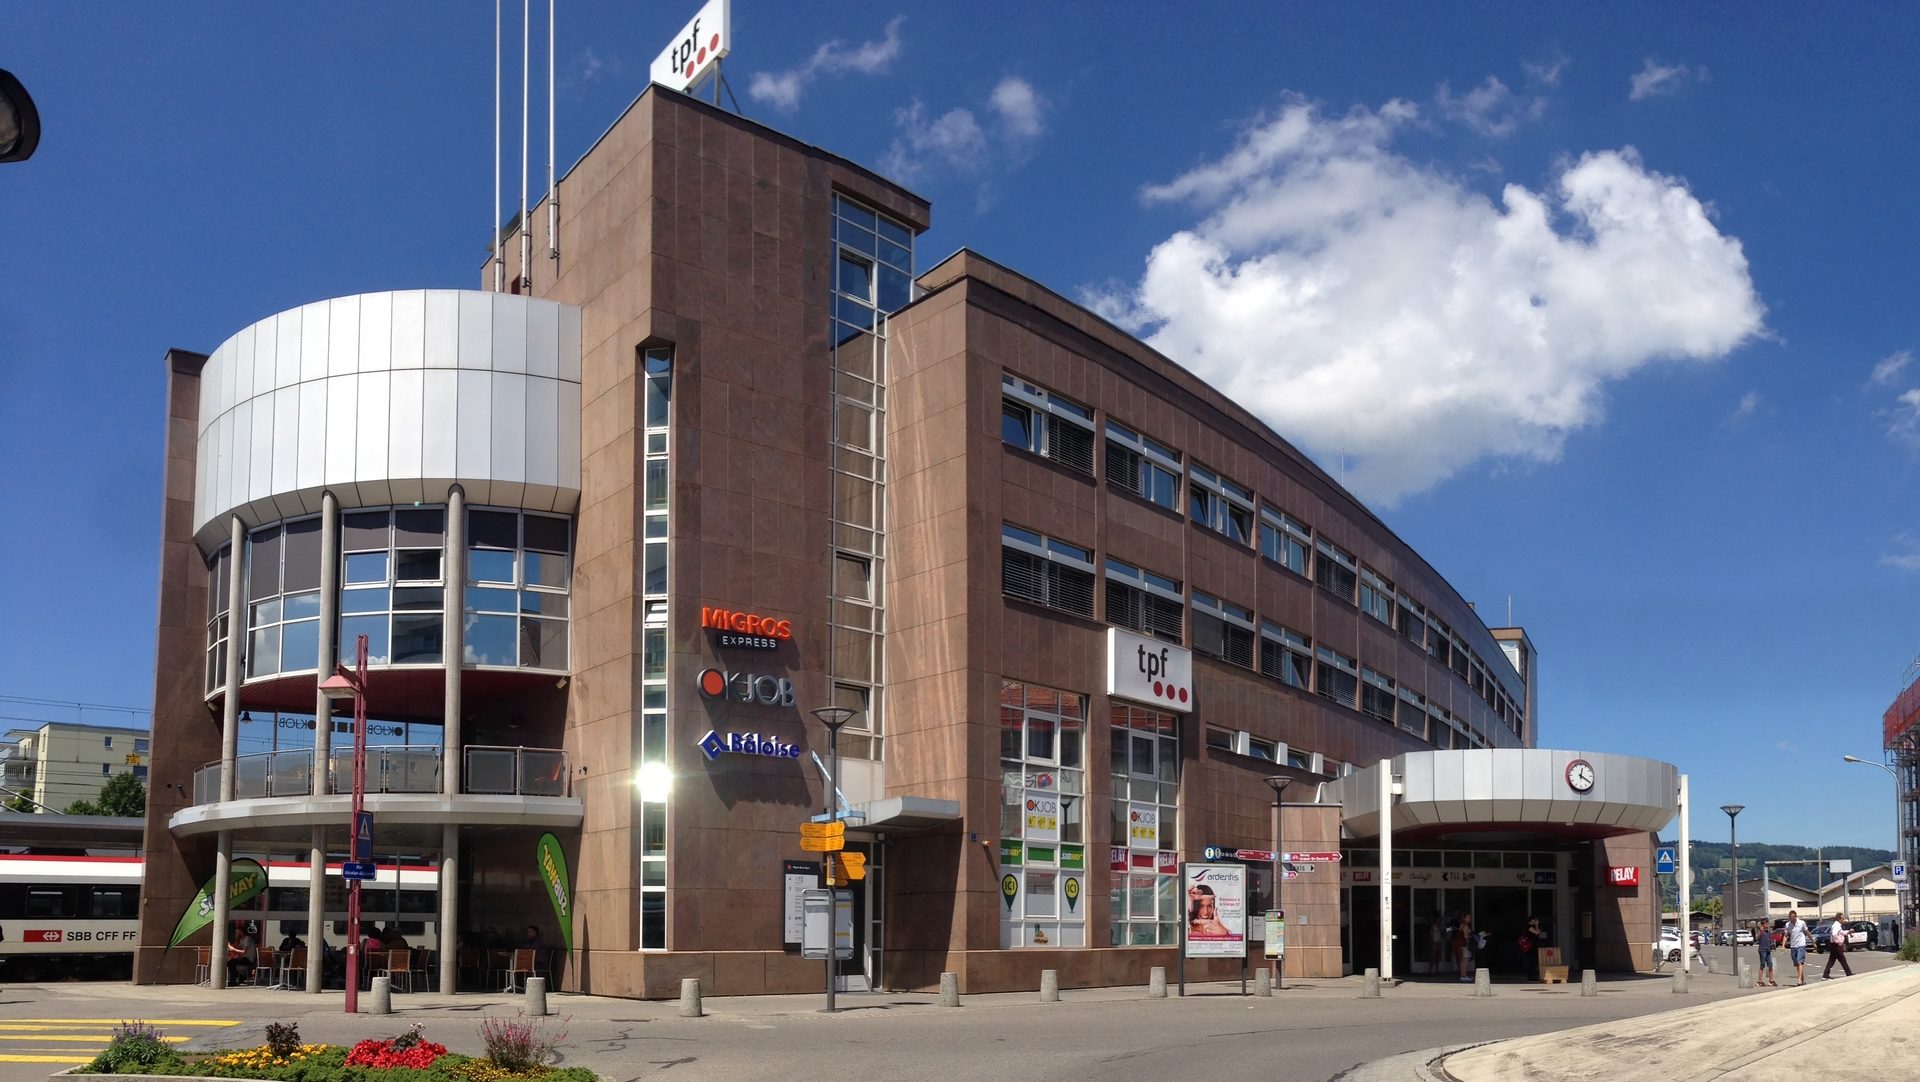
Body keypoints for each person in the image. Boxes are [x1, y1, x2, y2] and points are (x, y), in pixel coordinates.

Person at [1783, 909, 1811, 986]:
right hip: (1793, 946)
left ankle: (1799, 980)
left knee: (1799, 962)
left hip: (1801, 945)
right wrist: (1783, 945)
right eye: (1790, 918)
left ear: (1795, 917)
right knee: (1797, 964)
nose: (1791, 920)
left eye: (1792, 918)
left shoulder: (1802, 923)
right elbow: (1786, 935)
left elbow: (1807, 932)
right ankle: (1802, 979)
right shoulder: (1787, 925)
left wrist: (1813, 940)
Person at [1753, 919, 1776, 987]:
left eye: (1767, 924)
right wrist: (1761, 931)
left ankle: (1771, 980)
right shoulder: (1761, 932)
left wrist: (1772, 946)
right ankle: (1759, 981)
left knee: (1770, 964)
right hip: (1762, 950)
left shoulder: (1768, 932)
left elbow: (1770, 940)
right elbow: (1756, 939)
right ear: (1762, 925)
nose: (1767, 926)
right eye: (1766, 924)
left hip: (1768, 950)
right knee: (1762, 964)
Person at [1453, 911, 1475, 982]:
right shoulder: (1465, 926)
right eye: (1468, 917)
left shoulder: (1461, 925)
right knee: (1465, 960)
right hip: (1465, 945)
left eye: (1470, 917)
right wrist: (1471, 936)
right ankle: (1464, 975)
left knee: (1462, 961)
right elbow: (1466, 936)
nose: (1469, 919)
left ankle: (1463, 975)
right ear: (1464, 918)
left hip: (1461, 945)